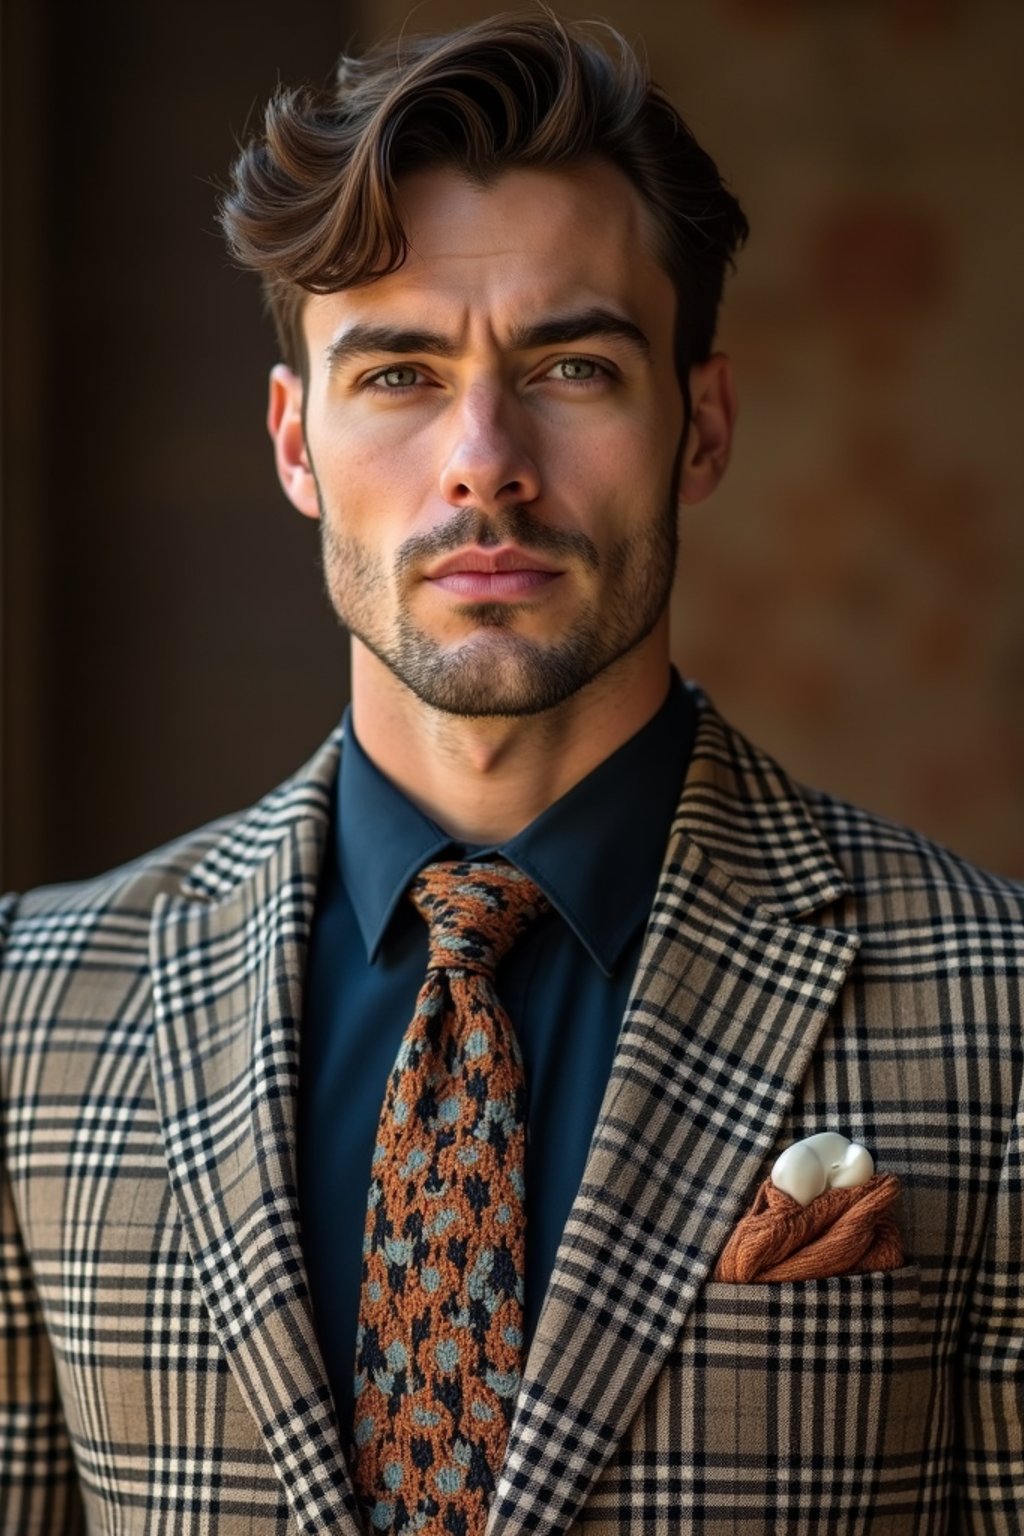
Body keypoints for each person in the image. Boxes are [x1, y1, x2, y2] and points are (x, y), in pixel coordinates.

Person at [1, 14, 1020, 1535]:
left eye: (576, 364)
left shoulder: (998, 1005)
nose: (484, 456)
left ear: (703, 426)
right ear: (296, 443)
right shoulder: (34, 1010)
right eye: (400, 373)